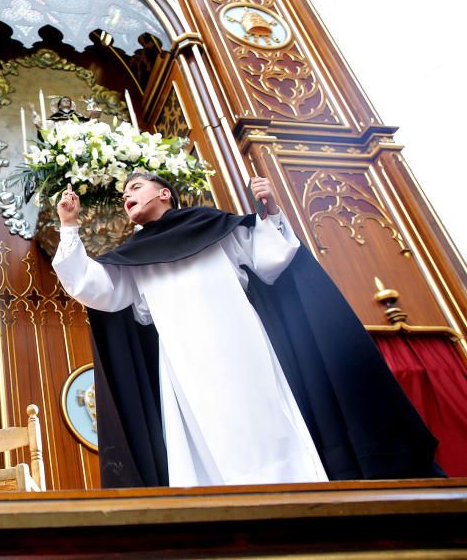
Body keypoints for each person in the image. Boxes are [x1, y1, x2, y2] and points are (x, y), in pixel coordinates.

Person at [53, 173, 442, 488]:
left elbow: (271, 257)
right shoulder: (132, 257)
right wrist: (69, 226)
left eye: (135, 187)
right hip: (184, 359)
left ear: (165, 193)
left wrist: (270, 211)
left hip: (240, 341)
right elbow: (94, 287)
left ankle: (297, 492)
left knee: (264, 417)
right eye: (124, 194)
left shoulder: (212, 224)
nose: (127, 196)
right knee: (205, 432)